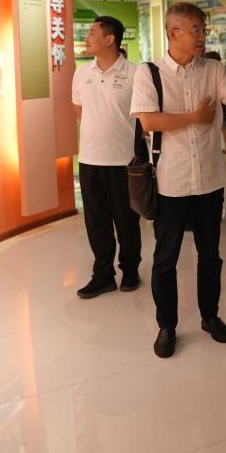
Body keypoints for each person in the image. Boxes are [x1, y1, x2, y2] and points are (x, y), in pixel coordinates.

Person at [131, 2, 226, 358]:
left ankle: (210, 317)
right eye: (195, 29)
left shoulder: (213, 69)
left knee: (210, 255)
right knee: (165, 258)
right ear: (173, 33)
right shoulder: (149, 73)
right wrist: (194, 117)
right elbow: (149, 121)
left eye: (203, 29)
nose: (202, 36)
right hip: (171, 181)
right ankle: (167, 325)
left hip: (209, 180)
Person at [71, 16, 141, 298]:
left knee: (126, 221)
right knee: (96, 221)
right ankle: (103, 275)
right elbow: (80, 110)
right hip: (90, 160)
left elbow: (143, 116)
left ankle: (130, 270)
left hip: (123, 161)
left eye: (92, 32)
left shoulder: (135, 73)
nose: (86, 38)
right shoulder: (81, 73)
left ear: (110, 39)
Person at [203, 51, 226, 173]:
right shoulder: (224, 76)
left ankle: (214, 167)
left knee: (210, 142)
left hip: (212, 113)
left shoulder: (204, 78)